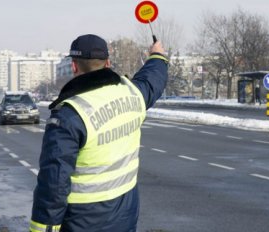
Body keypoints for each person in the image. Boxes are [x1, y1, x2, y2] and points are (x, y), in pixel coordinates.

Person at [30, 34, 168, 232]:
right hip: (125, 212)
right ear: (108, 63)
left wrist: (42, 229)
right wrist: (157, 56)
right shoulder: (131, 93)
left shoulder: (69, 114)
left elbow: (54, 184)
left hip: (83, 220)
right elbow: (153, 79)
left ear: (74, 66)